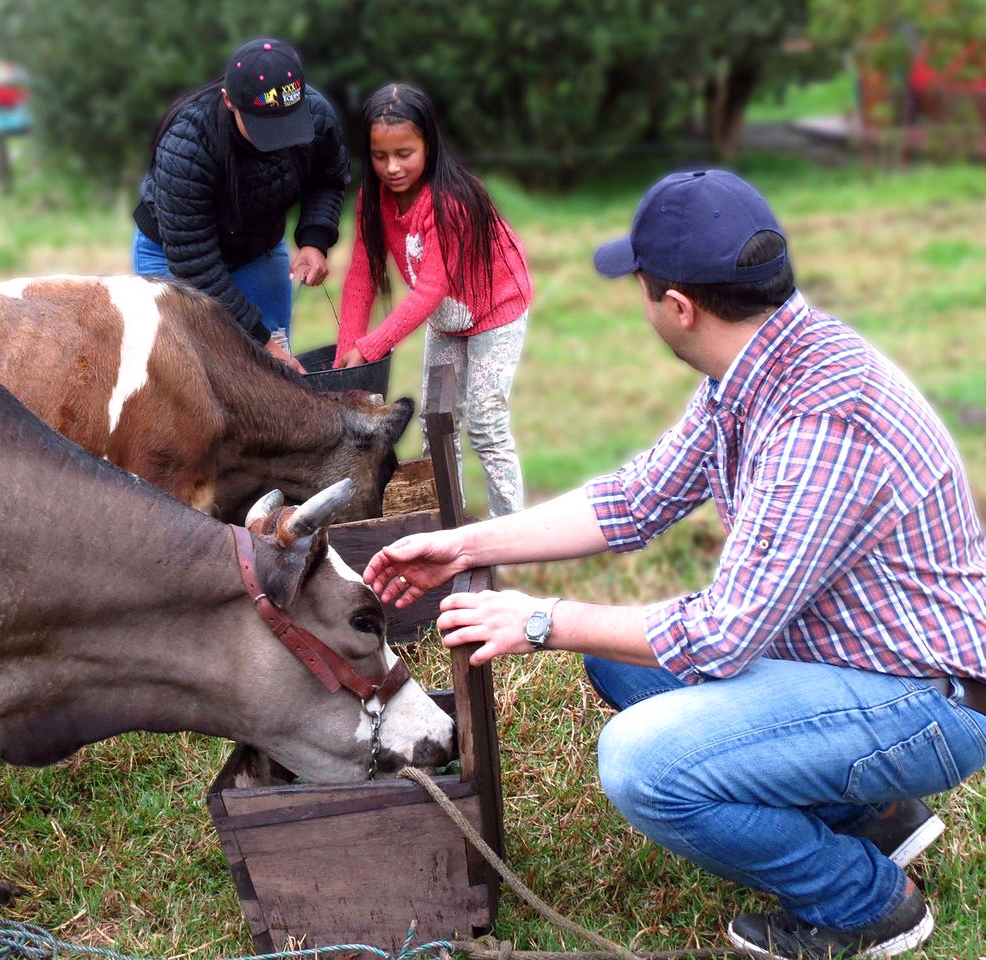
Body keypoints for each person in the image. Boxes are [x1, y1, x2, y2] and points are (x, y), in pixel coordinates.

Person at [363, 169, 986, 959]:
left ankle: (868, 903)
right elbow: (632, 499)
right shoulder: (759, 366)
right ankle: (872, 816)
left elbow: (723, 636)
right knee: (623, 667)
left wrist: (537, 621)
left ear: (680, 308)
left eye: (643, 287)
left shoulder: (820, 418)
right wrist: (467, 545)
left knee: (642, 763)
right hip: (852, 655)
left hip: (926, 699)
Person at [334, 83, 532, 517]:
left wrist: (370, 347)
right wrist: (347, 353)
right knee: (436, 426)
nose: (391, 167)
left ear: (429, 144)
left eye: (404, 153)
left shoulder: (451, 203)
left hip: (495, 311)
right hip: (447, 319)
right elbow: (362, 277)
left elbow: (429, 290)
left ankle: (512, 532)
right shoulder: (374, 199)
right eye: (379, 156)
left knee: (485, 425)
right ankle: (449, 526)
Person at [131, 38, 350, 370]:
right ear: (229, 101)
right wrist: (262, 343)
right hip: (176, 259)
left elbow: (328, 178)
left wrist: (314, 240)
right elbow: (195, 263)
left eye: (288, 123)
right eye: (267, 127)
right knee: (190, 382)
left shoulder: (317, 115)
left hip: (258, 250)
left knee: (271, 384)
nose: (280, 141)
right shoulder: (188, 143)